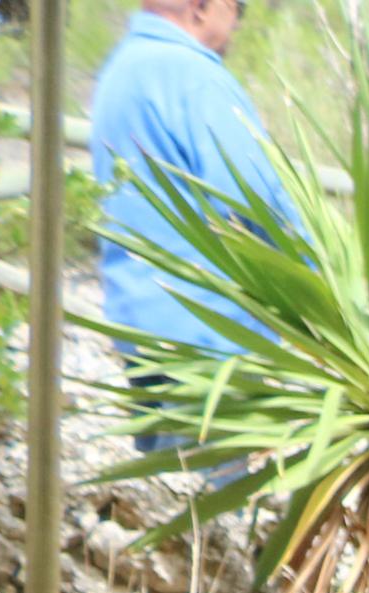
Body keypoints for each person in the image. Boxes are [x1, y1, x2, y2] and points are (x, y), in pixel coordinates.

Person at [87, 0, 301, 362]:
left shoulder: (119, 70)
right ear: (202, 7)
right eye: (238, 8)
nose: (237, 24)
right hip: (210, 334)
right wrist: (320, 284)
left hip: (136, 323)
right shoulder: (195, 77)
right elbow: (252, 199)